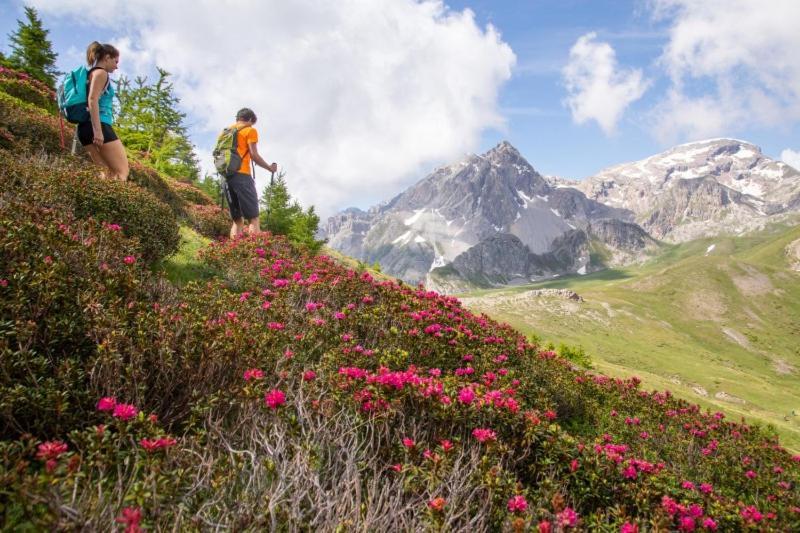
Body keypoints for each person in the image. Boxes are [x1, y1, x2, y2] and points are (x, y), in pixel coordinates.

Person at [77, 41, 128, 181]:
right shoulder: (101, 73)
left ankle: (99, 201)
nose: (117, 66)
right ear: (107, 57)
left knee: (105, 173)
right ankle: (116, 202)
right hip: (99, 126)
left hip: (84, 129)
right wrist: (98, 131)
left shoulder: (90, 74)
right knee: (121, 172)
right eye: (115, 61)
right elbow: (92, 100)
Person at [225, 108, 278, 238]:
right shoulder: (250, 130)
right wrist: (269, 168)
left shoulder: (226, 132)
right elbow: (254, 155)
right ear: (250, 119)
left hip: (226, 176)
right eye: (252, 122)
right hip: (242, 176)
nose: (252, 125)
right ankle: (255, 253)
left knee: (237, 220)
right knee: (253, 218)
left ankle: (233, 251)